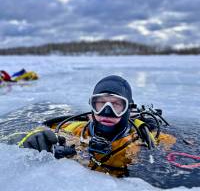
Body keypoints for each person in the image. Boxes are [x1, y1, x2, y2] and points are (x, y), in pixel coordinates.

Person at [7, 75, 176, 176]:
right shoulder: (73, 130)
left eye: (116, 105)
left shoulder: (147, 141)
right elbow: (14, 138)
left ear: (127, 109)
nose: (107, 112)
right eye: (100, 103)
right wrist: (27, 140)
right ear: (91, 106)